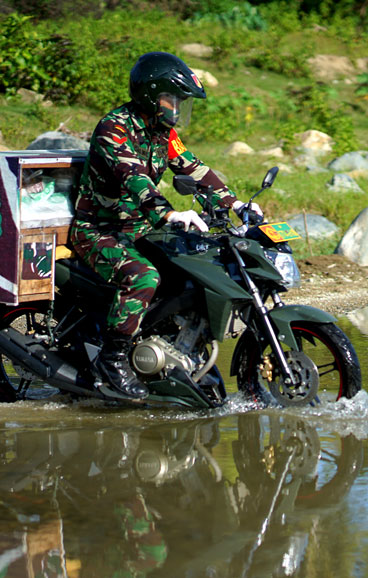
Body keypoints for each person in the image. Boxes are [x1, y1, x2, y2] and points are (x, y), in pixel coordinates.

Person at [70, 51, 261, 399]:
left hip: (140, 228)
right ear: (150, 96)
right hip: (99, 231)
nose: (176, 108)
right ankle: (111, 361)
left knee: (193, 267)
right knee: (144, 277)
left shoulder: (163, 132)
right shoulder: (114, 128)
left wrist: (237, 204)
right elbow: (134, 178)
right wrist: (169, 213)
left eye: (180, 101)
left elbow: (193, 169)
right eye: (171, 99)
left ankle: (174, 347)